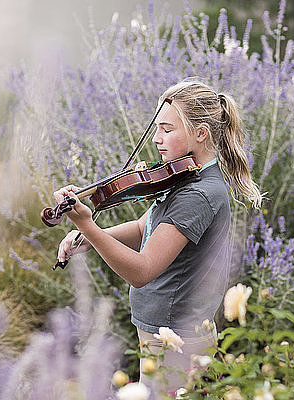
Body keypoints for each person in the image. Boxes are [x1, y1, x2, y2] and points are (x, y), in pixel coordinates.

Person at [53, 78, 262, 393]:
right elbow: (143, 228)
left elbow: (142, 270)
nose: (156, 139)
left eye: (167, 129)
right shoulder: (184, 177)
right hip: (161, 331)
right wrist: (86, 240)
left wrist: (88, 226)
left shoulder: (199, 194)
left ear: (200, 133)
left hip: (176, 337)